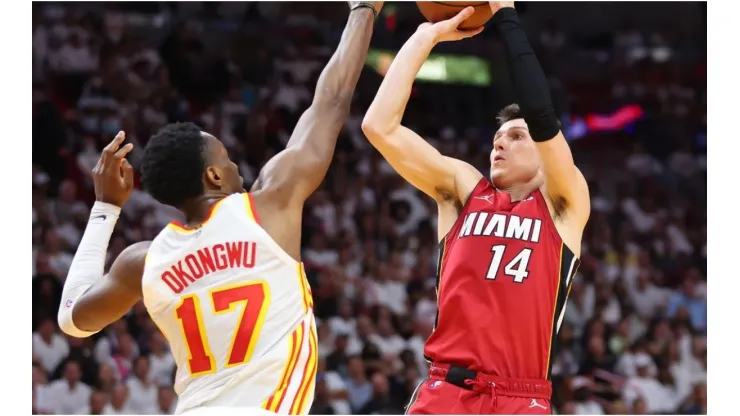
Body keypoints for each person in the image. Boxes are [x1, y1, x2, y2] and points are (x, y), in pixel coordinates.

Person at [56, 2, 382, 414]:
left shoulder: (144, 261)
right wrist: (364, 9)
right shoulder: (269, 207)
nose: (236, 167)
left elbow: (72, 319)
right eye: (226, 157)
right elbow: (332, 100)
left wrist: (105, 208)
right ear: (213, 176)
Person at [361, 3, 590, 414]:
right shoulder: (464, 190)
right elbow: (378, 127)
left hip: (522, 398)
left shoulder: (564, 205)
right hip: (446, 390)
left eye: (516, 137)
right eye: (497, 138)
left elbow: (541, 114)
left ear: (545, 152)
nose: (499, 144)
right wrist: (425, 37)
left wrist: (506, 14)